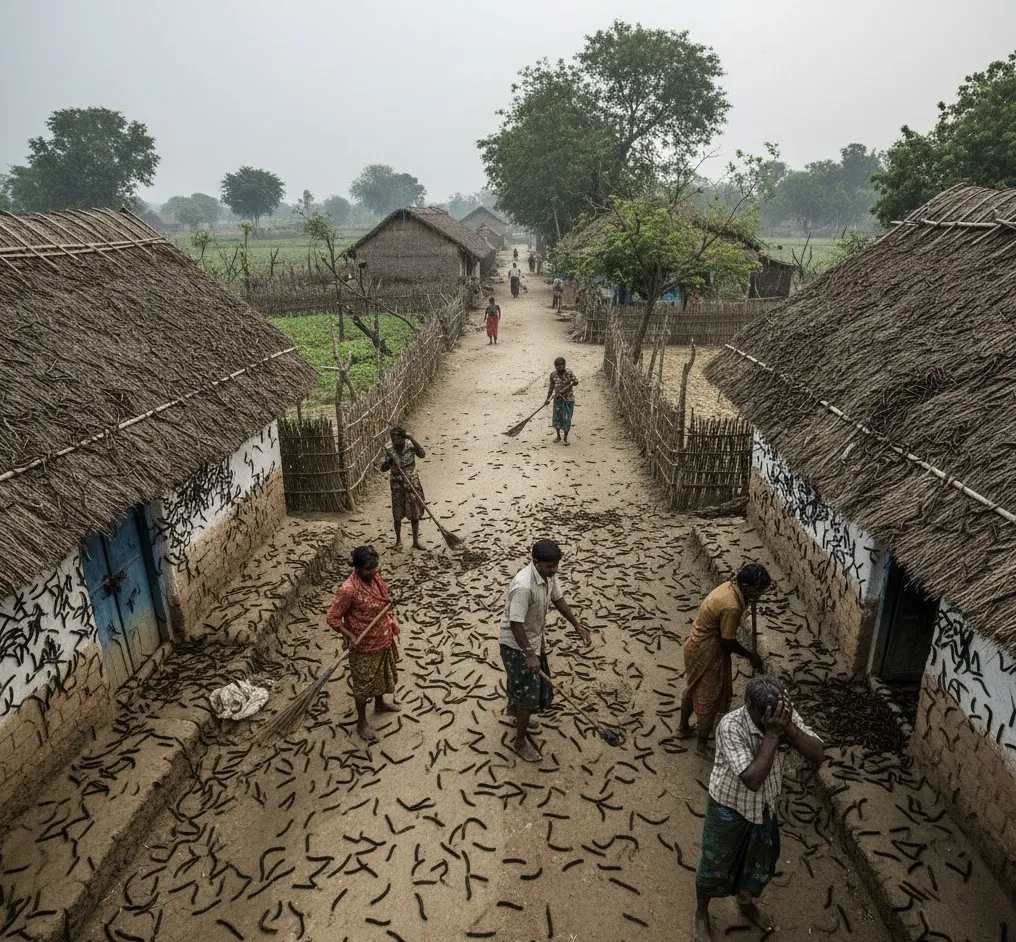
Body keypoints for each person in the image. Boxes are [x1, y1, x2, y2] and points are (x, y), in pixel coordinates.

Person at [693, 676, 824, 941]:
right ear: (751, 707)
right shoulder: (731, 726)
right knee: (714, 863)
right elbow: (752, 780)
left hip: (764, 807)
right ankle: (701, 913)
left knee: (759, 862)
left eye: (781, 713)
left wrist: (789, 728)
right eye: (770, 717)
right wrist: (773, 735)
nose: (775, 719)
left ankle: (745, 901)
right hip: (729, 806)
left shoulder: (780, 715)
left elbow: (818, 753)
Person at [499, 539, 591, 762]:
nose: (554, 570)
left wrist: (576, 625)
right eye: (550, 566)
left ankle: (515, 713)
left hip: (533, 639)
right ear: (536, 562)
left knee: (522, 686)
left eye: (556, 565)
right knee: (529, 696)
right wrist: (529, 653)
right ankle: (520, 742)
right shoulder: (523, 586)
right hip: (517, 645)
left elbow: (558, 599)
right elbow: (515, 623)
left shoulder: (547, 575)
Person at [678, 564, 770, 754]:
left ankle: (683, 729)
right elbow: (727, 641)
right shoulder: (732, 607)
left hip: (695, 644)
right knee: (708, 698)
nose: (759, 596)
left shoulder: (730, 587)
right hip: (707, 651)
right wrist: (750, 656)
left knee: (693, 687)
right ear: (745, 587)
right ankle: (702, 744)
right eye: (757, 592)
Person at [326, 546, 403, 743]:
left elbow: (381, 596)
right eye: (369, 568)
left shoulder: (374, 577)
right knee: (363, 685)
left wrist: (388, 601)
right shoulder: (348, 590)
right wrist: (350, 635)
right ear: (357, 569)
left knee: (381, 673)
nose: (374, 571)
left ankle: (379, 703)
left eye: (375, 567)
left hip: (382, 636)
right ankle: (361, 722)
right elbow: (333, 618)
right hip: (363, 644)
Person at [380, 427, 426, 550]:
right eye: (393, 439)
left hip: (412, 483)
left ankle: (415, 541)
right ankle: (398, 541)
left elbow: (422, 454)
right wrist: (390, 460)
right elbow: (382, 468)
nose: (395, 442)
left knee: (414, 512)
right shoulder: (388, 448)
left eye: (398, 439)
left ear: (403, 438)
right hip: (397, 485)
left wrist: (412, 438)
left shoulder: (410, 444)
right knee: (397, 513)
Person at [545, 357, 578, 445]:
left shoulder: (569, 373)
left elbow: (576, 382)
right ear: (555, 366)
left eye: (561, 366)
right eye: (557, 366)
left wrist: (568, 386)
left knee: (567, 418)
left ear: (564, 365)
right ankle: (558, 436)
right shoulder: (553, 375)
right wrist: (547, 399)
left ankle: (565, 438)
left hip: (568, 399)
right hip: (558, 399)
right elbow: (551, 387)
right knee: (557, 418)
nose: (559, 368)